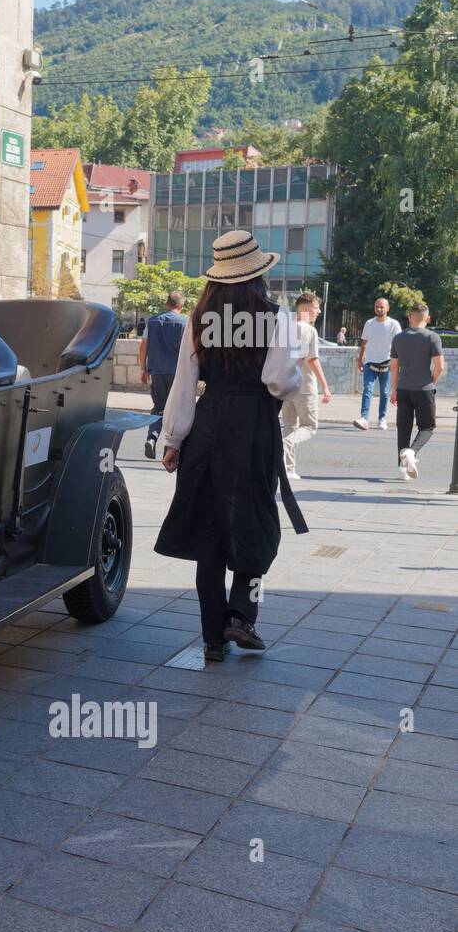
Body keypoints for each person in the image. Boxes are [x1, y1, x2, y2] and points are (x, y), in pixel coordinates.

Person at [155, 231, 306, 663]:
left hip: (207, 421)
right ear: (257, 274)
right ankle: (241, 613)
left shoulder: (198, 317)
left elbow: (185, 384)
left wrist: (173, 439)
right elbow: (280, 381)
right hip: (253, 424)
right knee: (256, 520)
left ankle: (212, 639)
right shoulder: (276, 317)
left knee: (210, 532)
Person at [391, 303, 446, 480]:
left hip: (403, 388)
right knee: (427, 427)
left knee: (403, 428)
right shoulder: (432, 337)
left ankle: (402, 470)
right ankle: (411, 453)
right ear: (428, 319)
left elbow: (394, 367)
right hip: (424, 388)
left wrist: (394, 389)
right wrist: (432, 382)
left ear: (409, 318)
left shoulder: (398, 338)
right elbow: (440, 366)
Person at [281, 292, 333, 479]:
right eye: (316, 307)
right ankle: (283, 445)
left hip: (286, 385)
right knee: (310, 427)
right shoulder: (309, 330)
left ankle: (288, 469)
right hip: (304, 386)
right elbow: (312, 360)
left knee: (289, 426)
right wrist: (325, 386)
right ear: (304, 308)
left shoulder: (285, 328)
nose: (318, 311)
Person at [139, 290, 189, 460]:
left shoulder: (152, 321)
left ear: (167, 304)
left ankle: (152, 438)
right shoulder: (185, 323)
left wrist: (143, 369)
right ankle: (169, 450)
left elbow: (143, 346)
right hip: (176, 373)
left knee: (159, 408)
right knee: (175, 411)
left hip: (156, 371)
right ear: (181, 306)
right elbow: (188, 350)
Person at [355, 298, 402, 431]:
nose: (379, 309)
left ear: (388, 308)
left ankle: (382, 419)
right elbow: (364, 343)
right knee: (367, 390)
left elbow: (398, 344)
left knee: (384, 392)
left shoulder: (394, 324)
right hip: (370, 362)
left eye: (381, 307)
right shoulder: (369, 323)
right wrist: (360, 359)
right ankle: (364, 418)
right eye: (376, 307)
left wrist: (397, 362)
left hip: (387, 363)